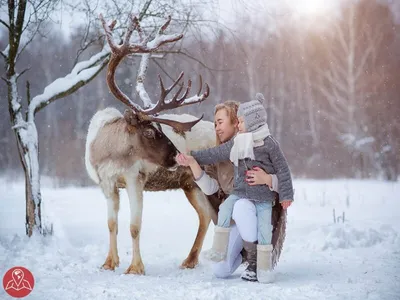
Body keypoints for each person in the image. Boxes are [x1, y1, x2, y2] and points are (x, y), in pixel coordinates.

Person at [176, 94, 293, 283]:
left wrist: (267, 178)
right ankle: (243, 255)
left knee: (241, 206)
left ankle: (256, 261)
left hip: (260, 209)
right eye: (215, 124)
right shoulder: (225, 151)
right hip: (237, 216)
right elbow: (211, 188)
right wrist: (192, 162)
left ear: (235, 121)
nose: (217, 127)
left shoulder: (261, 143)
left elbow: (284, 174)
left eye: (221, 122)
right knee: (220, 270)